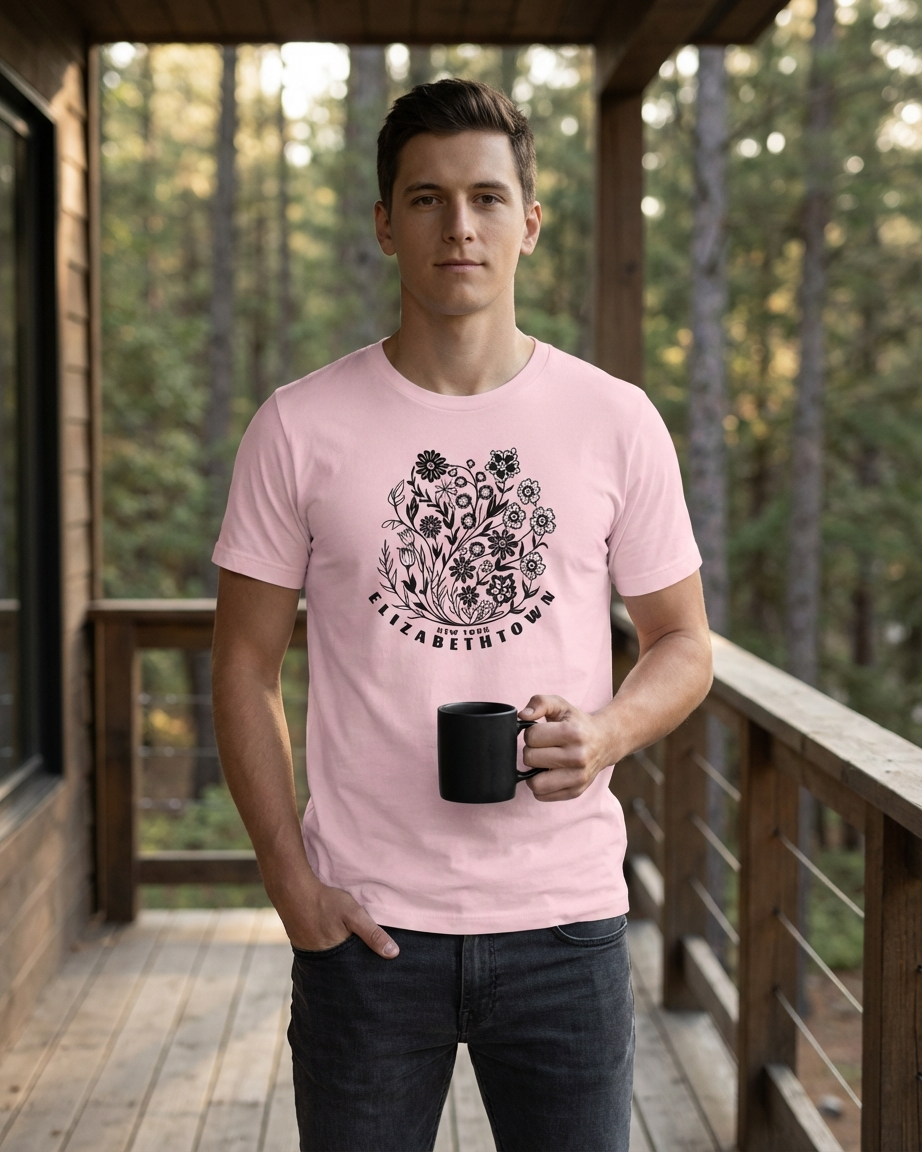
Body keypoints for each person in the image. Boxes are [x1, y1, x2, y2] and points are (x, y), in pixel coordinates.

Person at [211, 78, 712, 1152]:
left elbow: (682, 641)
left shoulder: (614, 421)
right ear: (386, 225)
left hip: (566, 926)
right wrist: (292, 886)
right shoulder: (298, 427)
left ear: (528, 223)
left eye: (487, 197)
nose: (460, 225)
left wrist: (608, 731)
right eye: (427, 198)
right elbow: (243, 669)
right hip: (367, 930)